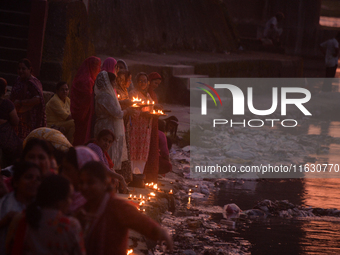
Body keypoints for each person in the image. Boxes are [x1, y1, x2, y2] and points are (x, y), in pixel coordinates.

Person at [78, 161, 173, 255]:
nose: (85, 187)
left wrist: (160, 232)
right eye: (81, 182)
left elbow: (140, 221)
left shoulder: (116, 207)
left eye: (90, 183)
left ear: (104, 183)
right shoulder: (81, 208)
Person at [6, 175, 86, 255]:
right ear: (59, 201)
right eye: (70, 197)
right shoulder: (72, 225)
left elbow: (9, 249)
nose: (71, 202)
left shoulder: (21, 219)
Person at [94, 70, 133, 172]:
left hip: (107, 125)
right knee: (107, 151)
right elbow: (117, 113)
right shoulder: (105, 96)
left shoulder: (106, 94)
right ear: (108, 82)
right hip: (106, 126)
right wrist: (127, 111)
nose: (115, 84)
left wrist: (123, 102)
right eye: (114, 82)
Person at [0, 161, 41, 254]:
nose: (34, 181)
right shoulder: (3, 204)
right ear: (16, 182)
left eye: (38, 179)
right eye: (28, 177)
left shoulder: (43, 207)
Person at [10, 58, 46, 140]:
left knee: (28, 140)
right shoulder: (18, 80)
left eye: (23, 69)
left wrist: (20, 102)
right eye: (19, 68)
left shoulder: (33, 82)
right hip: (18, 116)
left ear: (30, 69)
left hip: (30, 118)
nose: (20, 71)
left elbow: (38, 100)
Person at [70, 56, 101, 146]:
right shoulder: (86, 81)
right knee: (82, 137)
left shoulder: (88, 79)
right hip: (84, 114)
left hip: (85, 113)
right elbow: (86, 98)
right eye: (96, 66)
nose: (98, 69)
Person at [128, 73, 155, 178]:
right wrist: (142, 113)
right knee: (134, 151)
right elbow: (131, 111)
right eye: (140, 81)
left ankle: (139, 176)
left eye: (145, 81)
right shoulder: (132, 94)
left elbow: (151, 109)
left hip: (145, 129)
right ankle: (131, 175)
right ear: (136, 82)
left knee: (142, 153)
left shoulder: (148, 95)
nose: (142, 83)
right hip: (135, 128)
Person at [61, 146, 100, 214]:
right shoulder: (59, 196)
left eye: (67, 169)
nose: (62, 174)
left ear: (82, 171)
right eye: (63, 169)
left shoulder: (95, 205)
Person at [0, 78, 22, 167]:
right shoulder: (7, 104)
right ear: (4, 90)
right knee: (19, 145)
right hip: (4, 140)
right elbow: (15, 121)